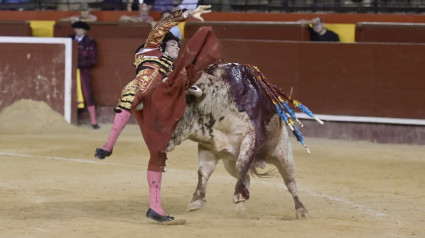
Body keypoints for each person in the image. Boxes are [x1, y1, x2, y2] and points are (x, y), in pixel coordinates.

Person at [95, 6, 212, 223]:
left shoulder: (171, 69)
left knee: (157, 153)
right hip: (143, 90)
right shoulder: (151, 49)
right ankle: (108, 144)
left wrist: (188, 88)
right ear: (162, 45)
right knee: (133, 93)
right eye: (174, 44)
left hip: (154, 105)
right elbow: (162, 26)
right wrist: (187, 14)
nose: (178, 47)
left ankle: (155, 207)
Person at [68, 21, 99, 129]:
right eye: (77, 28)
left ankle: (93, 121)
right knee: (69, 92)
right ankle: (68, 120)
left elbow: (93, 59)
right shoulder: (69, 39)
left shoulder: (89, 42)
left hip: (83, 71)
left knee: (87, 93)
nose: (78, 30)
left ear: (85, 31)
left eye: (81, 29)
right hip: (69, 70)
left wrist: (78, 64)